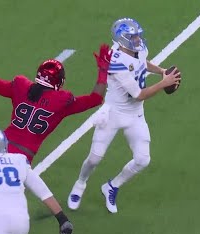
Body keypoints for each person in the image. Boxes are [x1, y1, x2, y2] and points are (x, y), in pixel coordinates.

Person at [0, 43, 112, 234]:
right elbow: (96, 98)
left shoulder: (21, 86)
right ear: (59, 82)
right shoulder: (61, 101)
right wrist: (103, 71)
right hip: (19, 157)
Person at [67, 18, 181, 214]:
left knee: (143, 159)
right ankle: (80, 183)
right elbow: (139, 94)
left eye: (137, 35)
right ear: (121, 39)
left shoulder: (139, 47)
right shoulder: (115, 60)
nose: (137, 39)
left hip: (135, 114)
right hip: (113, 113)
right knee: (95, 158)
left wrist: (161, 71)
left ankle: (112, 186)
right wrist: (164, 83)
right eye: (132, 36)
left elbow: (142, 62)